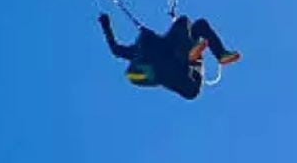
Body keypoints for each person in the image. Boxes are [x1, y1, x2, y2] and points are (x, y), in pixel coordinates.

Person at [98, 12, 242, 100]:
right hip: (185, 79)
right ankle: (192, 57)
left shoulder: (158, 45)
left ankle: (220, 54)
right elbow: (116, 50)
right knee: (181, 44)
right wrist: (106, 26)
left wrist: (106, 26)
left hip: (184, 73)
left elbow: (116, 50)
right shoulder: (142, 52)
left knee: (196, 25)